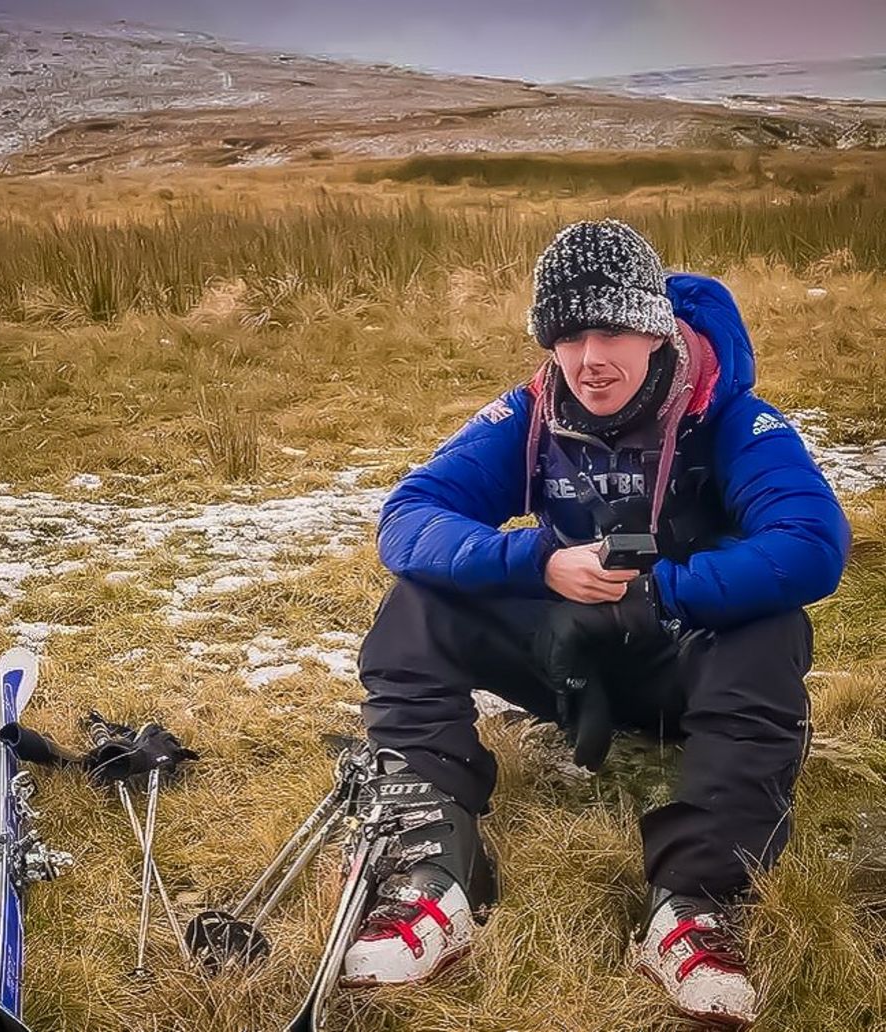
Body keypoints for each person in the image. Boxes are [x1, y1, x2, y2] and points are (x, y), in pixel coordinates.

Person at [340, 219, 851, 1026]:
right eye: (569, 335)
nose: (590, 359)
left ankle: (696, 908)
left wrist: (660, 595)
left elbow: (813, 544)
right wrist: (532, 565)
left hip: (684, 667)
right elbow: (408, 516)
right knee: (417, 604)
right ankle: (432, 874)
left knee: (771, 625)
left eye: (612, 328)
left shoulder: (728, 414)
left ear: (654, 327)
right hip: (562, 655)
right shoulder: (533, 413)